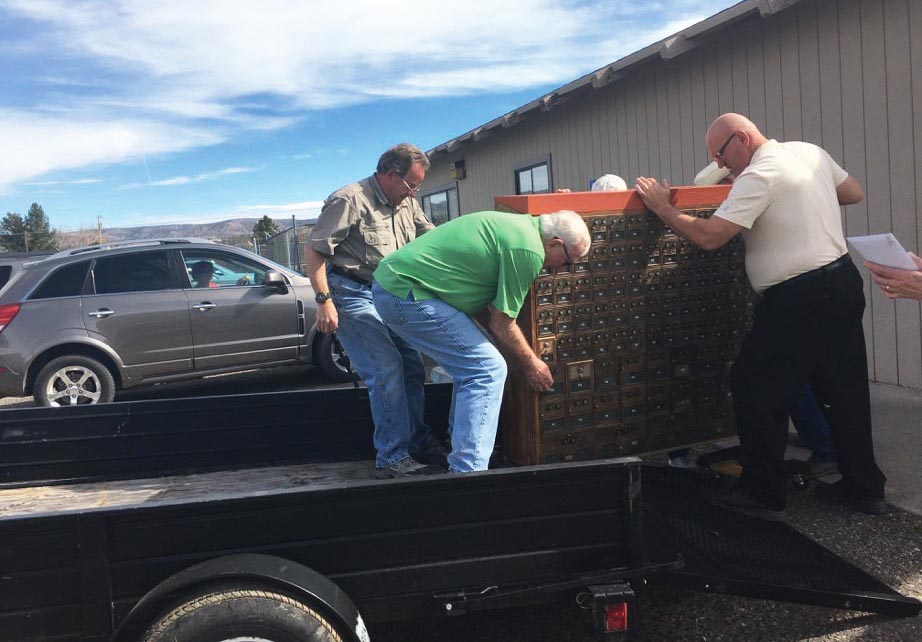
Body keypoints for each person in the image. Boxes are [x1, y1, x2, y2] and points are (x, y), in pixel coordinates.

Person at [635, 113, 886, 520]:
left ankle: (763, 492)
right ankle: (865, 488)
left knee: (754, 385)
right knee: (845, 390)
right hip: (842, 283)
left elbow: (710, 237)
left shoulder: (759, 176)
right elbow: (852, 192)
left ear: (741, 138)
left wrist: (664, 208)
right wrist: (801, 200)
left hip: (797, 298)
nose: (720, 165)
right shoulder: (808, 153)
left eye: (720, 155)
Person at [372, 210, 591, 473]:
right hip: (405, 292)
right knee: (487, 369)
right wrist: (532, 364)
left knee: (476, 363)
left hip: (398, 287)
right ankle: (468, 471)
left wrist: (509, 349)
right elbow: (502, 322)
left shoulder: (520, 227)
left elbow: (483, 309)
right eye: (567, 262)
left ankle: (458, 446)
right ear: (554, 243)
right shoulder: (529, 250)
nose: (562, 269)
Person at [306, 143, 445, 479]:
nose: (413, 192)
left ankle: (417, 442)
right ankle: (392, 457)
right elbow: (314, 252)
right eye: (411, 185)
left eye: (418, 187)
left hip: (391, 292)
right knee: (385, 368)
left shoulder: (407, 202)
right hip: (351, 292)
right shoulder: (349, 200)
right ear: (389, 174)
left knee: (412, 367)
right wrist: (324, 301)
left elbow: (433, 239)